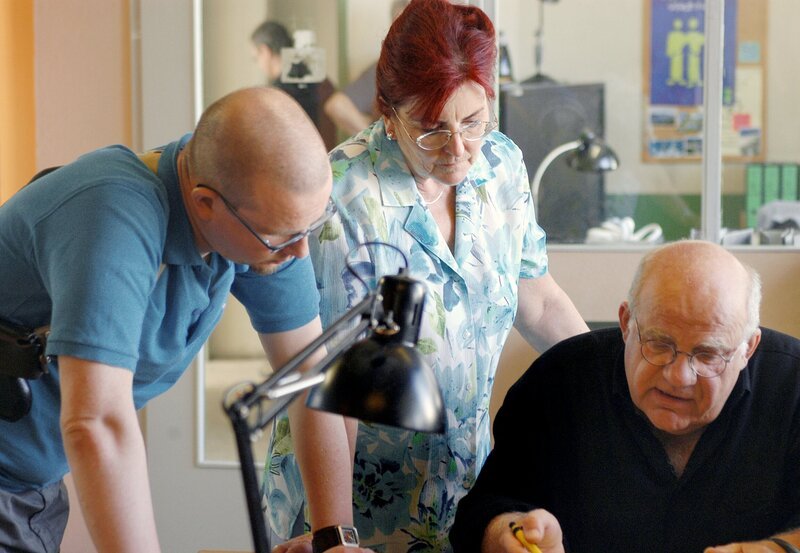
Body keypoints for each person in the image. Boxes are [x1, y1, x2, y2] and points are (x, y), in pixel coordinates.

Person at [264, 1, 589, 552]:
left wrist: (609, 381)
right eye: (431, 130)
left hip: (463, 493)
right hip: (351, 506)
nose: (458, 151)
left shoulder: (502, 166)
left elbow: (536, 300)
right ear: (389, 114)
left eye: (472, 122)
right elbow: (333, 383)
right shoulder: (343, 198)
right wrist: (334, 534)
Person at [0, 86, 333, 552]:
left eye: (311, 228)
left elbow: (310, 373)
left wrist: (333, 536)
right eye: (283, 236)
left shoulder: (261, 224)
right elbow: (97, 424)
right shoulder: (112, 215)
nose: (300, 252)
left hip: (34, 483)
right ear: (204, 204)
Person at [450, 240, 800, 553]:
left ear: (747, 349)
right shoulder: (558, 382)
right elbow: (478, 515)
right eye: (659, 345)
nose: (679, 376)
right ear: (626, 322)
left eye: (708, 355)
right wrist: (509, 535)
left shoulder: (793, 388)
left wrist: (778, 549)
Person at [322, 0, 410, 137]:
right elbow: (337, 106)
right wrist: (377, 141)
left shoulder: (448, 67)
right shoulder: (387, 68)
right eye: (400, 26)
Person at [251, 20, 338, 150]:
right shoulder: (321, 81)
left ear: (265, 51)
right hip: (329, 161)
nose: (258, 65)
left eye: (255, 58)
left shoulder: (275, 96)